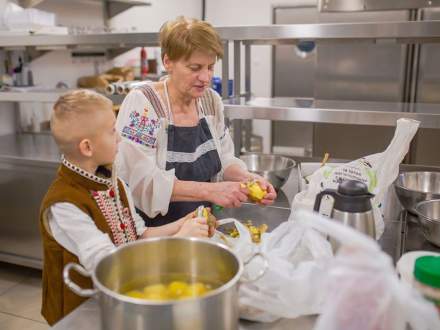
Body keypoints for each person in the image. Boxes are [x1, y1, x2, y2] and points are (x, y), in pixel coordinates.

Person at [39, 90, 210, 325]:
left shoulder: (113, 180)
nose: (119, 137)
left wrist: (179, 225)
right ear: (87, 147)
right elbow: (110, 268)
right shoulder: (64, 205)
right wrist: (179, 241)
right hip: (81, 312)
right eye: (112, 131)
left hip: (117, 305)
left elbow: (138, 235)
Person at [116, 17, 277, 227]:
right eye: (195, 68)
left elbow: (224, 160)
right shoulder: (145, 105)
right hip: (153, 231)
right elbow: (143, 183)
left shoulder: (210, 102)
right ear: (168, 62)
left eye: (210, 67)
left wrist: (247, 178)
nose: (205, 77)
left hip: (198, 225)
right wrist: (210, 191)